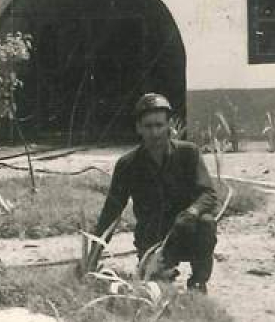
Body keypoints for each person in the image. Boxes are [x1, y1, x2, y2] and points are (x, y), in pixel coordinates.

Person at [92, 93, 219, 293]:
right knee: (155, 290)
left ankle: (198, 281)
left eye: (159, 125)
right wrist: (93, 251)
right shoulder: (128, 164)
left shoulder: (188, 154)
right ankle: (160, 271)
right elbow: (112, 210)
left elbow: (208, 194)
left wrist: (192, 212)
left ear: (169, 125)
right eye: (148, 126)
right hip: (152, 240)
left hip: (186, 232)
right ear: (138, 128)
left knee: (206, 223)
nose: (155, 132)